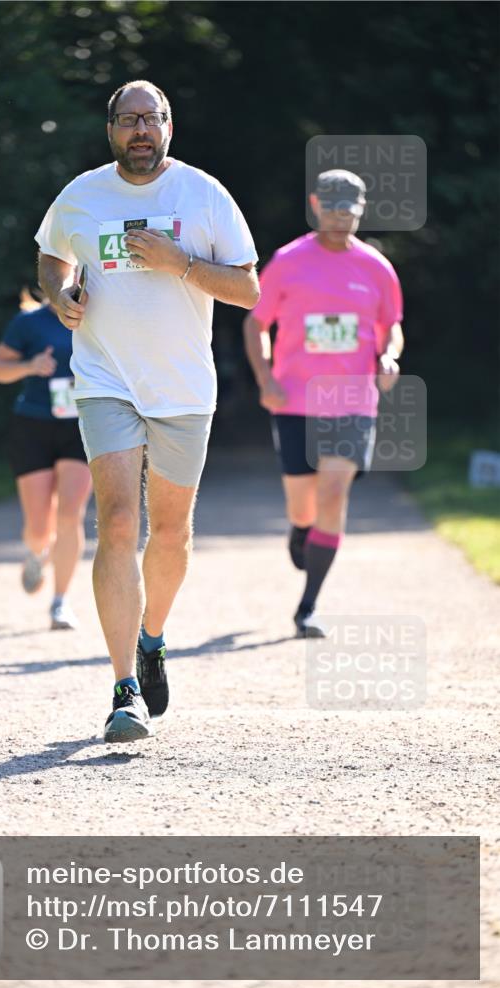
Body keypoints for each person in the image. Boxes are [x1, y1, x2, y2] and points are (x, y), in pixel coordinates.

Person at [35, 79, 259, 742]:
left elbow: (248, 288)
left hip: (183, 388)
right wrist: (58, 294)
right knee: (117, 523)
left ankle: (151, 638)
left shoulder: (204, 194)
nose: (140, 130)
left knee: (169, 534)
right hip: (105, 378)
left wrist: (180, 263)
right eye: (128, 119)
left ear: (169, 126)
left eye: (151, 118)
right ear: (110, 129)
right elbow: (51, 256)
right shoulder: (81, 194)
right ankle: (123, 689)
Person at [243, 169, 404, 638]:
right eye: (331, 210)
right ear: (315, 204)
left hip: (353, 399)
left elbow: (390, 324)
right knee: (302, 505)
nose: (340, 220)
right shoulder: (288, 262)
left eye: (348, 213)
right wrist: (265, 378)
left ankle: (308, 606)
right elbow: (256, 324)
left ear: (360, 211)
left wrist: (389, 354)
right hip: (295, 400)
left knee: (334, 492)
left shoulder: (376, 267)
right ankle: (300, 530)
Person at [0, 290, 92, 629]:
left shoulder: (101, 318)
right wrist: (29, 366)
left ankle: (60, 602)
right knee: (37, 527)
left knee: (70, 513)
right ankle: (37, 552)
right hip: (33, 426)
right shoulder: (28, 323)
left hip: (81, 425)